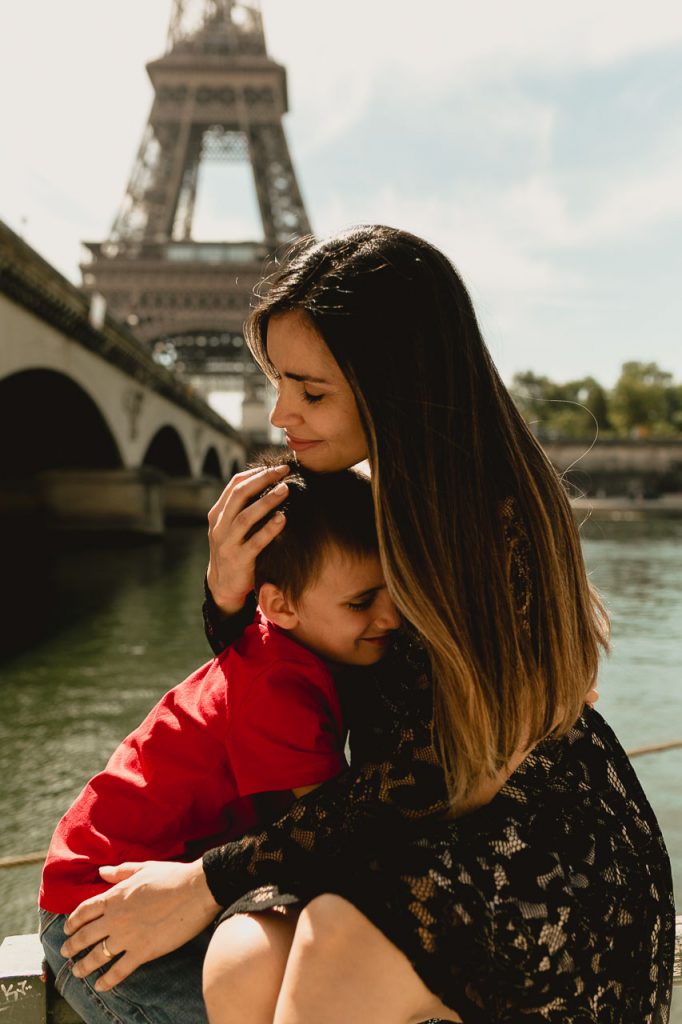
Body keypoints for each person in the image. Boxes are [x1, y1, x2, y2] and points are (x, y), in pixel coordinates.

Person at [60, 225, 675, 1023]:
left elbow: (447, 772)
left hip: (536, 856)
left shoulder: (494, 522)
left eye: (311, 392)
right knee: (245, 966)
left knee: (329, 939)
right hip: (413, 835)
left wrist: (211, 877)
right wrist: (230, 597)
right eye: (278, 382)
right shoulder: (363, 500)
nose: (281, 412)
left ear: (396, 385)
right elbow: (311, 681)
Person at [40, 457, 400, 1024]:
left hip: (141, 883)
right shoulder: (281, 691)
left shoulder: (289, 646)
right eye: (362, 603)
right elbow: (331, 833)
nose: (392, 615)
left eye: (393, 591)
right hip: (98, 916)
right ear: (280, 605)